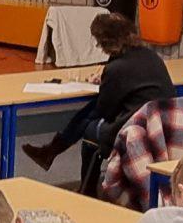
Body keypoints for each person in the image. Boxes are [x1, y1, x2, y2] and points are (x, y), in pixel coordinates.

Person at [22, 11, 171, 173]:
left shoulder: (116, 68)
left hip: (136, 126)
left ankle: (79, 176)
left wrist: (107, 82)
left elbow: (106, 112)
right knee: (92, 109)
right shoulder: (151, 56)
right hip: (166, 122)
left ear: (106, 42)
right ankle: (50, 151)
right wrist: (108, 82)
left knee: (91, 125)